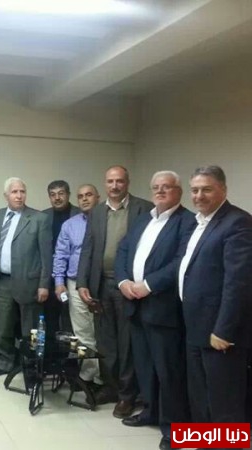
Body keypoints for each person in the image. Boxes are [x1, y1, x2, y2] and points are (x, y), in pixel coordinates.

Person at [115, 171, 194, 450]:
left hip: (163, 308)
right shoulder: (143, 219)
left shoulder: (187, 221)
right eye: (156, 187)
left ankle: (174, 429)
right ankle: (150, 411)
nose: (160, 191)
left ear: (178, 191)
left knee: (168, 372)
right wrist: (123, 281)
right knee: (145, 367)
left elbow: (181, 261)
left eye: (166, 187)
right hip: (135, 306)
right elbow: (123, 250)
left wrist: (148, 285)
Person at [76, 165, 153, 418]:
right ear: (105, 184)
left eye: (119, 181)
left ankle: (127, 395)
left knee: (126, 342)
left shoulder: (143, 208)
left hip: (128, 286)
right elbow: (88, 248)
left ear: (127, 182)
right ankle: (110, 387)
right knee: (105, 341)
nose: (115, 185)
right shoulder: (97, 212)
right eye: (110, 181)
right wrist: (82, 282)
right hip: (100, 285)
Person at [179, 165, 252, 430]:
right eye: (195, 190)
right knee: (201, 397)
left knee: (224, 403)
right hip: (196, 326)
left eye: (206, 189)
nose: (199, 196)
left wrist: (224, 330)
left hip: (220, 332)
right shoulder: (199, 222)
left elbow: (238, 283)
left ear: (223, 189)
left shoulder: (238, 222)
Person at [0, 177, 52, 377]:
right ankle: (4, 362)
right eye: (14, 192)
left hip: (30, 282)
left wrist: (44, 284)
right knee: (2, 327)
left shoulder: (39, 218)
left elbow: (46, 255)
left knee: (30, 329)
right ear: (6, 195)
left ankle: (31, 366)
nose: (19, 196)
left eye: (22, 191)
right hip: (1, 281)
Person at [52, 184, 102, 388]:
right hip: (74, 284)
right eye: (81, 196)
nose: (85, 199)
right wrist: (59, 282)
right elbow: (60, 255)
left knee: (104, 333)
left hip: (102, 284)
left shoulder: (107, 221)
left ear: (98, 197)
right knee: (82, 333)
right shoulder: (70, 225)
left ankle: (107, 377)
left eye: (89, 195)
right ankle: (89, 376)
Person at [43, 180, 80, 337]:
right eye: (53, 195)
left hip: (74, 275)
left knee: (72, 318)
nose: (57, 198)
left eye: (61, 193)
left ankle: (71, 351)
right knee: (50, 317)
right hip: (49, 275)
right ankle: (52, 349)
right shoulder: (43, 216)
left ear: (68, 195)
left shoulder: (81, 214)